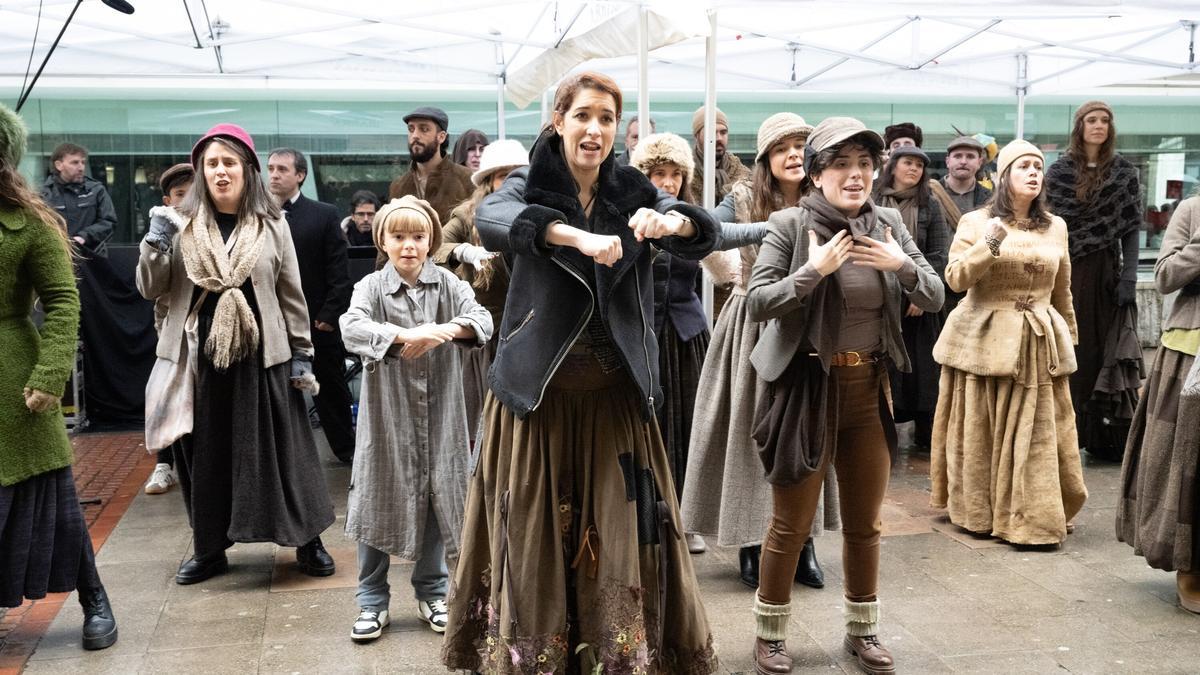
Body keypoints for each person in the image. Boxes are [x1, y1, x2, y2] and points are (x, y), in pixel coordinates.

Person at [442, 71, 719, 674]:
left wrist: (674, 223)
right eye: (583, 116)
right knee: (536, 539)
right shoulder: (527, 182)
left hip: (616, 398)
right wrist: (572, 236)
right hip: (538, 397)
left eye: (606, 119)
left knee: (623, 536)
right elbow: (494, 217)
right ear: (559, 122)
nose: (594, 129)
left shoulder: (631, 186)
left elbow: (701, 228)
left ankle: (617, 658)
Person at [745, 116, 944, 675]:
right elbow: (758, 303)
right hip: (806, 389)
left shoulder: (887, 226)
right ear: (815, 174)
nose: (854, 175)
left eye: (863, 164)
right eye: (840, 165)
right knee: (790, 523)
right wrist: (811, 271)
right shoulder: (789, 225)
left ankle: (863, 632)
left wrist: (901, 265)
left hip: (867, 390)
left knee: (865, 523)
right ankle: (771, 635)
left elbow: (934, 294)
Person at [136, 123, 336, 585]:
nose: (220, 172)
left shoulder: (272, 224)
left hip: (265, 355)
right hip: (199, 358)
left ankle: (308, 541)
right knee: (204, 457)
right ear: (202, 173)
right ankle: (209, 549)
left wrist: (302, 353)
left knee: (285, 453)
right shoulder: (180, 226)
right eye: (211, 164)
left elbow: (291, 294)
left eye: (229, 162)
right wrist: (155, 243)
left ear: (247, 169)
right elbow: (151, 289)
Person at [681, 113, 836, 592]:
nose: (792, 154)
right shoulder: (745, 195)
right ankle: (752, 543)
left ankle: (804, 543)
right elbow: (710, 233)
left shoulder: (826, 196)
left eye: (799, 146)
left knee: (804, 433)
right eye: (781, 147)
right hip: (752, 323)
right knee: (752, 435)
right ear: (766, 157)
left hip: (811, 325)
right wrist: (772, 228)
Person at [341, 196, 493, 642]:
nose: (409, 246)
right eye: (399, 236)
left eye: (419, 236)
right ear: (383, 240)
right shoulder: (370, 287)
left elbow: (481, 320)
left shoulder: (447, 283)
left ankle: (433, 592)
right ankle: (371, 601)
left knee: (438, 495)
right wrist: (406, 334)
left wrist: (442, 331)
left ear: (431, 240)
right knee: (375, 495)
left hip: (444, 412)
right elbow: (351, 326)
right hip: (387, 416)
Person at [930, 139, 1088, 548]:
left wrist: (1068, 337)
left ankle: (1035, 515)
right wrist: (991, 242)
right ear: (1004, 177)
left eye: (1039, 166)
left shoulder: (1056, 226)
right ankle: (982, 511)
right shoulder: (977, 222)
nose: (1035, 172)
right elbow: (956, 279)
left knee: (1039, 432)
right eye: (1024, 167)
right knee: (982, 431)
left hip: (1038, 342)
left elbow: (1062, 288)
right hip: (986, 340)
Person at [0, 103, 118, 651]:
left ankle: (94, 596)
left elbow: (63, 299)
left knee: (53, 497)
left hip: (16, 380)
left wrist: (51, 374)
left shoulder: (29, 221)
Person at [1046, 100, 1145, 461]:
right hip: (1065, 269)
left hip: (1105, 273)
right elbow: (1047, 225)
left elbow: (1132, 228)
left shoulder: (1123, 173)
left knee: (1101, 351)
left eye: (1105, 120)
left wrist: (1129, 277)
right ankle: (1063, 431)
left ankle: (1102, 436)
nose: (1099, 125)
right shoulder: (1058, 173)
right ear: (1080, 126)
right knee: (1068, 350)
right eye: (1092, 120)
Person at [1116, 191, 1200, 615]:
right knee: (1186, 463)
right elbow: (1165, 275)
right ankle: (1191, 566)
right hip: (1191, 349)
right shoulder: (1192, 209)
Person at [433, 139, 529, 447]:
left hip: (527, 330)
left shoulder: (536, 214)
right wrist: (463, 251)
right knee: (482, 417)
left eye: (518, 174)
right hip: (485, 333)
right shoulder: (467, 215)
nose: (510, 183)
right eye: (503, 175)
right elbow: (434, 247)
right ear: (488, 181)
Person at [267, 148, 356, 463]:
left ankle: (346, 450)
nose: (274, 175)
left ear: (300, 175)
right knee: (274, 392)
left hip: (316, 322)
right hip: (270, 324)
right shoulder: (256, 215)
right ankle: (281, 456)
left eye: (282, 169)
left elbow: (338, 272)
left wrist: (328, 316)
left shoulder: (324, 214)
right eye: (271, 168)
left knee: (330, 389)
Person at [874, 146, 950, 451]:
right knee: (888, 368)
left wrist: (919, 291)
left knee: (923, 371)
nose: (914, 169)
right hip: (883, 297)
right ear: (893, 166)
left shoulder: (931, 206)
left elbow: (938, 254)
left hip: (919, 301)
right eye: (908, 162)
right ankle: (884, 434)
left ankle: (924, 436)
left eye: (920, 165)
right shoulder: (874, 202)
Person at [144, 162, 194, 496]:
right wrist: (156, 243)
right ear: (167, 199)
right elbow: (149, 288)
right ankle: (165, 464)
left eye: (193, 193)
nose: (186, 200)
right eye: (179, 194)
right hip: (174, 334)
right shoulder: (162, 229)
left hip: (210, 334)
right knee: (167, 399)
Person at [40, 142, 117, 257]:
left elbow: (109, 222)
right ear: (59, 165)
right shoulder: (43, 195)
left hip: (92, 257)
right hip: (57, 258)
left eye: (83, 162)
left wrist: (83, 236)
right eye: (75, 162)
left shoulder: (95, 190)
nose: (81, 168)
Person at [690, 105, 750, 204]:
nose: (719, 138)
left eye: (723, 132)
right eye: (711, 132)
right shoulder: (684, 173)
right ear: (696, 136)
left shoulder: (742, 175)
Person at [941, 135, 993, 221]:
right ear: (947, 161)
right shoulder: (929, 193)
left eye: (970, 156)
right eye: (957, 156)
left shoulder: (990, 199)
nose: (963, 162)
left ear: (979, 163)